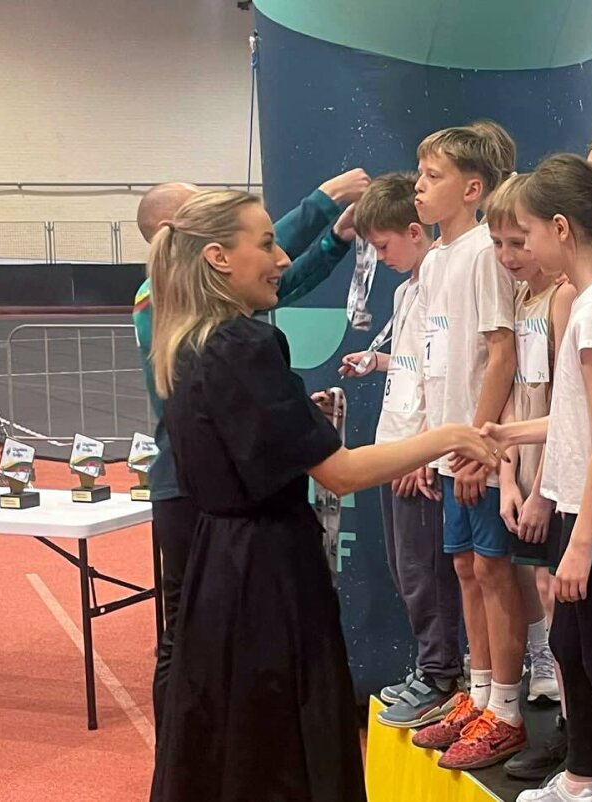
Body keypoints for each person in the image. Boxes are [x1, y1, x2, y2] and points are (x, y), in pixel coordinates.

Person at [146, 189, 500, 802]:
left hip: (219, 569)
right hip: (267, 576)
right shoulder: (245, 344)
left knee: (229, 734)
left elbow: (242, 442)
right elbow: (341, 473)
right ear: (218, 258)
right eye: (266, 244)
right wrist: (447, 436)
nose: (282, 259)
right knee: (282, 743)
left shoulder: (183, 342)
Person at [132, 168, 369, 731]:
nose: (275, 256)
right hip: (194, 492)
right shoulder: (165, 303)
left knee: (213, 640)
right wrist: (322, 199)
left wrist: (335, 239)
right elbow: (261, 265)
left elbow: (276, 279)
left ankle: (198, 751)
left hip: (201, 489)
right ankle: (182, 747)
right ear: (193, 241)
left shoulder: (213, 325)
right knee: (187, 637)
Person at [487, 156, 592, 802]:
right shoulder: (587, 304)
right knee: (569, 645)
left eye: (527, 233)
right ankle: (580, 779)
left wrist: (580, 542)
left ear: (560, 228)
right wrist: (509, 434)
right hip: (581, 506)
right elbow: (577, 419)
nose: (524, 247)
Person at [407, 126, 528, 771]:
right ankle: (478, 694)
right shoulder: (434, 260)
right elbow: (435, 360)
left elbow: (501, 354)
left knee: (492, 569)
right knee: (463, 568)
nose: (419, 187)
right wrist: (431, 445)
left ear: (473, 189)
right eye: (419, 174)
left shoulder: (485, 252)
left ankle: (507, 708)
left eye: (433, 176)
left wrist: (479, 444)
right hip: (448, 443)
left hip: (478, 445)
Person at [335, 173, 465, 730]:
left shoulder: (444, 280)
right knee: (404, 567)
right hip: (398, 444)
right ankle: (429, 667)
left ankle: (441, 675)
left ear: (415, 232)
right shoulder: (406, 290)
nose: (382, 258)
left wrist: (422, 452)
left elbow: (447, 373)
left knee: (425, 570)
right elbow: (415, 363)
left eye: (384, 246)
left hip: (418, 452)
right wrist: (378, 362)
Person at [485, 174, 578, 781]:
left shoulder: (565, 298)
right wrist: (510, 478)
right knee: (535, 587)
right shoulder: (522, 298)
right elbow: (517, 393)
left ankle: (573, 727)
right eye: (498, 244)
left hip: (556, 473)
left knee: (556, 596)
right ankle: (563, 711)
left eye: (518, 242)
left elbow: (567, 402)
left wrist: (542, 488)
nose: (508, 256)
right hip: (522, 468)